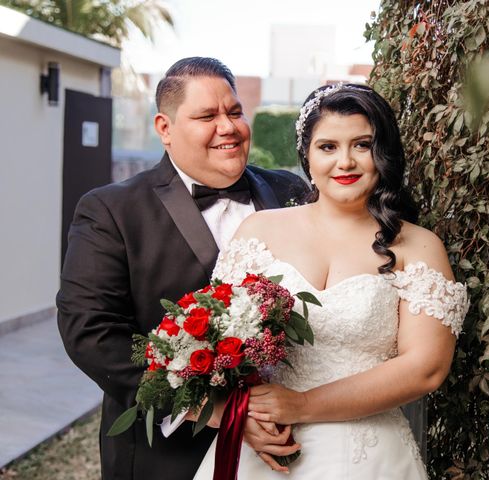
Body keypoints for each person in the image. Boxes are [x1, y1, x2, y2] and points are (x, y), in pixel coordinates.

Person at [193, 83, 469, 479]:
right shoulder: (259, 230)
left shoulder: (418, 246)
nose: (346, 162)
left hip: (368, 455)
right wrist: (238, 418)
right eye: (328, 147)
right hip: (262, 446)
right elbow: (214, 345)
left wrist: (302, 405)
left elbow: (425, 367)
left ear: (383, 153)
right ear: (306, 153)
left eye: (362, 145)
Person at [56, 57, 308, 479]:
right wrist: (218, 412)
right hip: (168, 457)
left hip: (296, 446)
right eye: (207, 115)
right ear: (165, 128)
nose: (227, 126)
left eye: (234, 111)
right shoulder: (111, 210)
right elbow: (91, 333)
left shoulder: (291, 191)